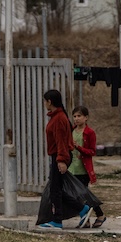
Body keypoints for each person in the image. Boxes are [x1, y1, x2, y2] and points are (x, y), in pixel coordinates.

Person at [36, 89, 73, 229]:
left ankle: (58, 220)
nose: (45, 104)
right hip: (58, 155)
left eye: (45, 101)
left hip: (59, 155)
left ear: (49, 102)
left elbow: (61, 140)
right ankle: (82, 209)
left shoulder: (58, 119)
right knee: (55, 188)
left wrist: (61, 159)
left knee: (55, 189)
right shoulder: (58, 117)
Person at [68, 106, 107, 229]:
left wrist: (79, 147)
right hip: (71, 168)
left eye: (79, 116)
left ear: (86, 117)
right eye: (74, 116)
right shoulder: (71, 131)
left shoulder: (89, 133)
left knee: (84, 195)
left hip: (83, 169)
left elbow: (92, 151)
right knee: (76, 195)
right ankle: (87, 219)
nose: (76, 119)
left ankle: (99, 215)